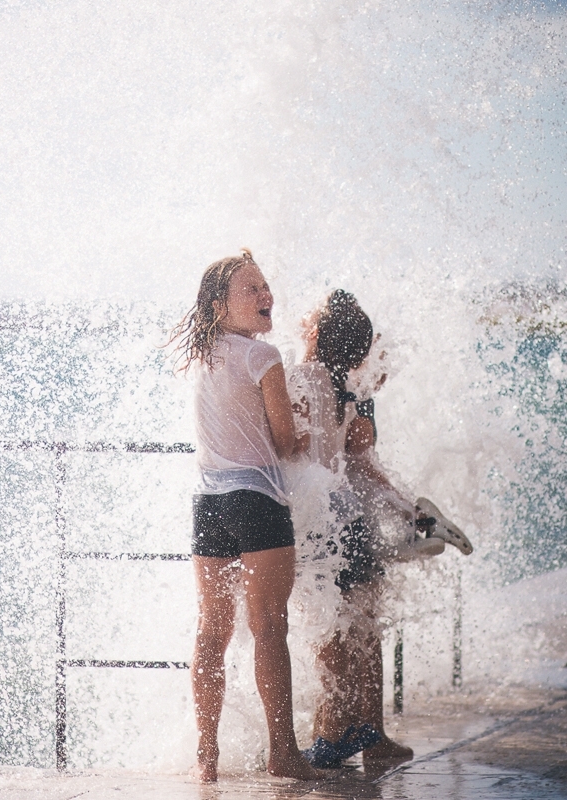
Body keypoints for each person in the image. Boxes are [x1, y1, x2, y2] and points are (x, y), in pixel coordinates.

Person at [170, 249, 319, 784]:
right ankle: (284, 754)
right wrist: (305, 430)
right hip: (255, 498)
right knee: (269, 628)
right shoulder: (263, 356)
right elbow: (285, 442)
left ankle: (206, 756)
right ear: (220, 306)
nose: (265, 296)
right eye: (251, 289)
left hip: (208, 503)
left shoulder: (200, 354)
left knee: (212, 630)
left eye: (265, 286)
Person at [285, 291, 427, 769]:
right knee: (362, 628)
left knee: (330, 632)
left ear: (314, 332)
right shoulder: (345, 390)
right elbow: (362, 463)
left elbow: (289, 447)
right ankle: (367, 732)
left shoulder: (301, 378)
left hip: (322, 519)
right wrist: (406, 507)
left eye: (310, 314)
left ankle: (331, 735)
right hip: (354, 519)